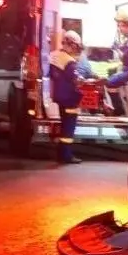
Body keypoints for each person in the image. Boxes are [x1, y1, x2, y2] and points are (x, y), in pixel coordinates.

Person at [48, 27, 91, 165]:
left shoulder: (54, 55)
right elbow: (77, 79)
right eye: (76, 47)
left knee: (64, 125)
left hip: (60, 97)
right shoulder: (69, 61)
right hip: (70, 99)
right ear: (72, 44)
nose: (77, 50)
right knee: (68, 128)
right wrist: (91, 81)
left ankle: (60, 153)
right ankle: (66, 155)